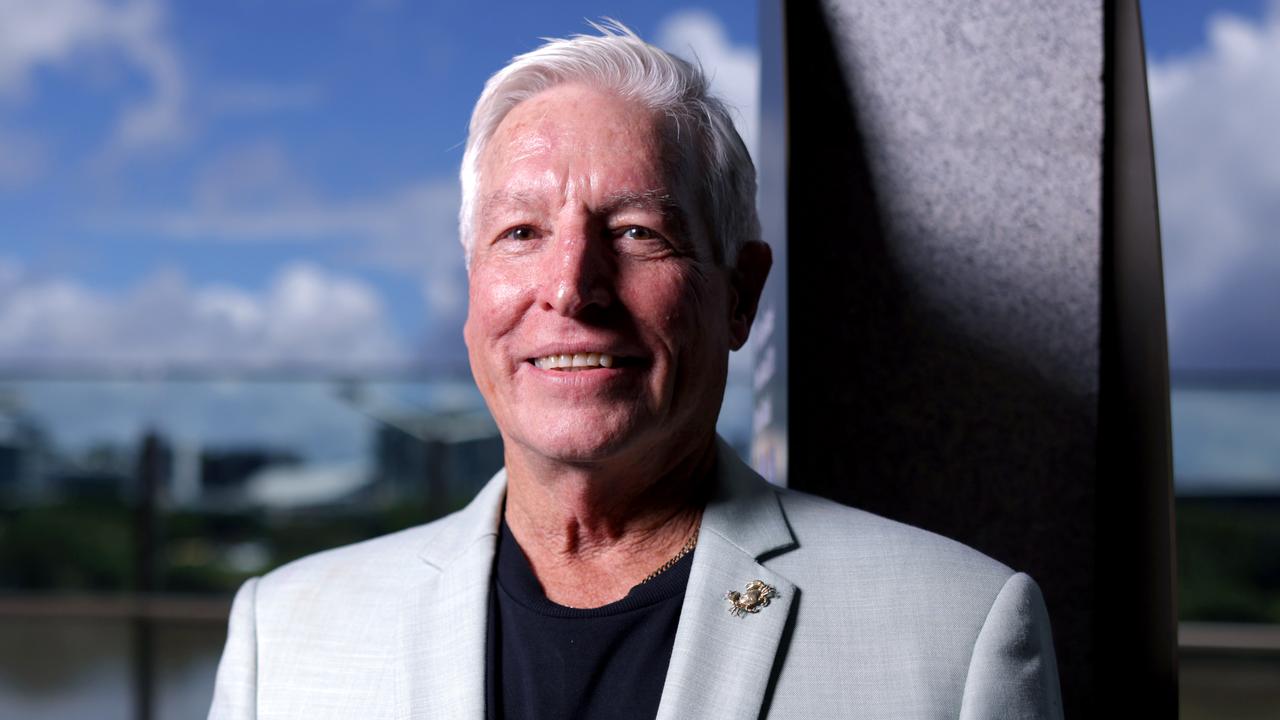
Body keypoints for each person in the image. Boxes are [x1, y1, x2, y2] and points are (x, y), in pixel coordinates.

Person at [208, 23, 1063, 720]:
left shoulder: (956, 635)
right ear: (473, 294)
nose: (572, 289)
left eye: (636, 233)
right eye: (521, 233)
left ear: (740, 295)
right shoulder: (281, 639)